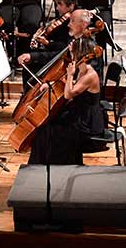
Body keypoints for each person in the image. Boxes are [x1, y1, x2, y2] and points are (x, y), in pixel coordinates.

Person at [26, 34, 106, 166]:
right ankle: (44, 164)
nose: (70, 54)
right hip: (79, 114)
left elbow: (69, 94)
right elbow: (73, 85)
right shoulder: (83, 69)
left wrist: (69, 75)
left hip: (86, 122)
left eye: (72, 52)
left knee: (47, 131)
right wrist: (51, 84)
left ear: (79, 53)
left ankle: (52, 165)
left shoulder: (90, 75)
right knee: (46, 127)